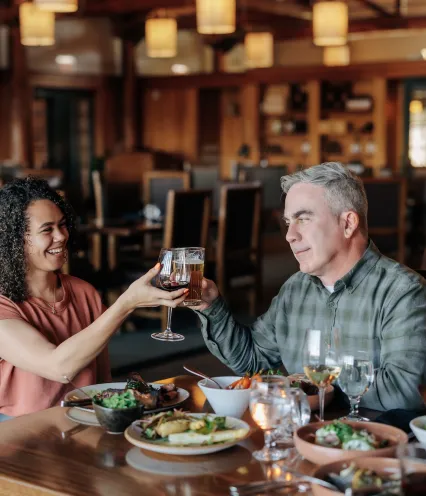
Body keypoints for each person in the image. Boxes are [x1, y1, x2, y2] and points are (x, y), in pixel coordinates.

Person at [193, 162, 426, 412]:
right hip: (297, 438)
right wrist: (211, 307)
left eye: (303, 219)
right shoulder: (295, 289)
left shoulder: (403, 291)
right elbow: (251, 361)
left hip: (371, 443)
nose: (289, 235)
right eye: (287, 222)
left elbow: (403, 390)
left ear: (348, 223)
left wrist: (314, 385)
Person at [0, 177, 188, 419]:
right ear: (15, 242)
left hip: (81, 424)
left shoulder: (84, 292)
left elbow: (101, 381)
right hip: (19, 436)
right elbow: (58, 367)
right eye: (47, 229)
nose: (61, 236)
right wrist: (126, 304)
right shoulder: (4, 304)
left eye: (63, 224)